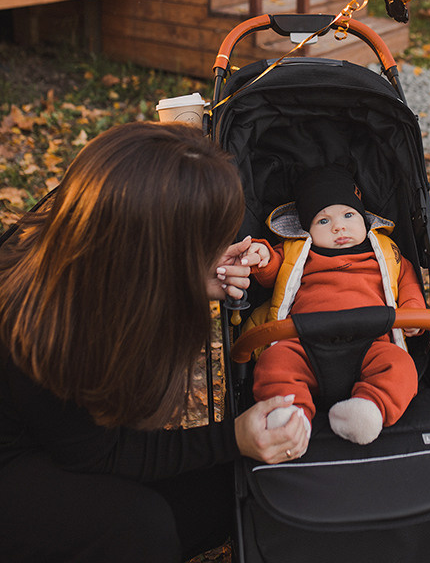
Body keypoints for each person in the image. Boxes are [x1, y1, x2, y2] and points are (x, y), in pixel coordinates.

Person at [0, 122, 309, 563]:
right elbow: (95, 452)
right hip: (19, 464)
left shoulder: (95, 274)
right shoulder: (38, 320)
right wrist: (231, 437)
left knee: (231, 487)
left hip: (59, 439)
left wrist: (191, 276)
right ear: (155, 254)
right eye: (206, 241)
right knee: (140, 527)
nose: (222, 247)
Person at [244, 167, 426, 446]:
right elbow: (270, 272)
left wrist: (412, 312)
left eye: (349, 215)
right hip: (304, 343)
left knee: (401, 366)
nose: (338, 227)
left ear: (365, 219)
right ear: (306, 229)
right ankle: (290, 415)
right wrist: (262, 256)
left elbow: (408, 281)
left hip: (371, 343)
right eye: (323, 220)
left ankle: (368, 409)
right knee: (275, 361)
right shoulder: (297, 251)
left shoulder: (386, 252)